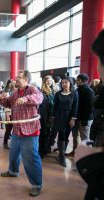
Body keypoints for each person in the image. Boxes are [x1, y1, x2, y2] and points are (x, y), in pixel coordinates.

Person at [0, 70, 43, 197]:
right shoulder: (15, 93)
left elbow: (40, 98)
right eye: (16, 77)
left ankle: (36, 185)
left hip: (30, 130)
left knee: (30, 158)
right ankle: (13, 171)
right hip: (17, 130)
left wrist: (26, 98)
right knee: (13, 154)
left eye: (19, 77)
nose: (16, 79)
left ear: (26, 80)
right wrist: (2, 98)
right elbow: (7, 103)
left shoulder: (32, 90)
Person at [75, 29, 104, 200]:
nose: (99, 70)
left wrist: (88, 161)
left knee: (83, 136)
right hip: (85, 120)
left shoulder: (87, 92)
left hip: (86, 120)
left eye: (100, 62)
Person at [66, 74, 95, 157]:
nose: (76, 81)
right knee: (75, 137)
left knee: (85, 139)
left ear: (80, 81)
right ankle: (75, 152)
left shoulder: (89, 91)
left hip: (85, 119)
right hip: (76, 118)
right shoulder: (77, 90)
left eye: (77, 80)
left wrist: (85, 121)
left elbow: (90, 108)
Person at [39, 76, 54, 158]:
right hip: (44, 116)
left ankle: (45, 149)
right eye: (48, 81)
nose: (49, 82)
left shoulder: (52, 91)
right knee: (43, 133)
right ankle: (41, 151)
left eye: (51, 81)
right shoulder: (42, 92)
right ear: (44, 82)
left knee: (48, 133)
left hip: (50, 115)